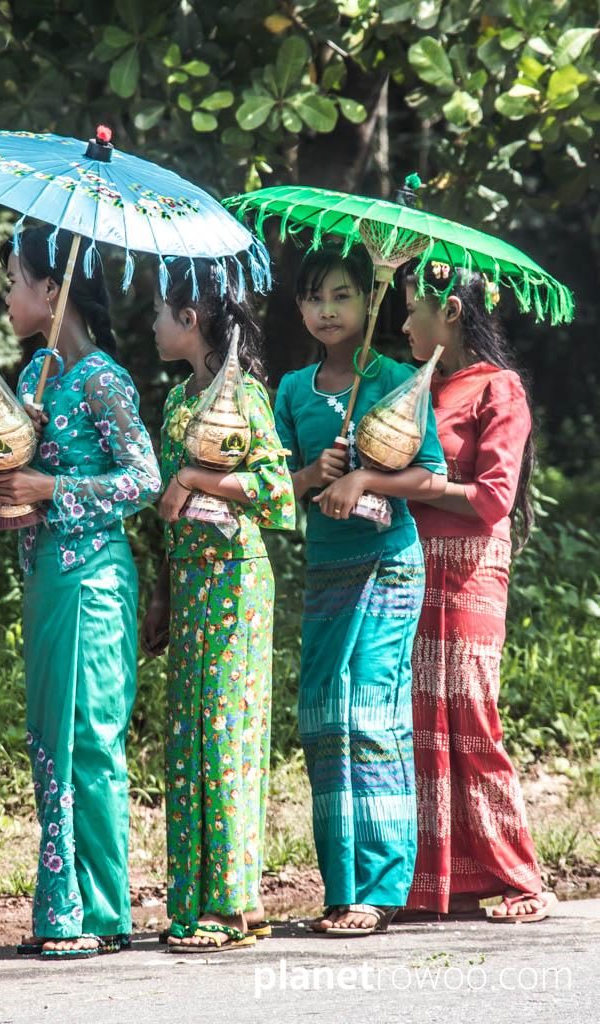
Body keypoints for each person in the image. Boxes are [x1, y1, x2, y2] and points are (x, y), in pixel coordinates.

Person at [0, 226, 161, 958]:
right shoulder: (31, 380)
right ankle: (61, 911)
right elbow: (8, 488)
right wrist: (4, 499)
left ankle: (103, 910)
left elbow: (144, 479)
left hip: (93, 579)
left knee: (89, 737)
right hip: (45, 578)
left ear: (51, 292)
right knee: (48, 740)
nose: (4, 293)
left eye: (13, 279)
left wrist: (52, 487)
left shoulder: (102, 379)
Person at [273, 247, 447, 936]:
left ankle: (379, 887)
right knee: (324, 718)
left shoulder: (396, 379)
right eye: (313, 298)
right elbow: (273, 488)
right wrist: (317, 471)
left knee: (371, 715)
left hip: (387, 562)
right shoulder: (289, 390)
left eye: (341, 296)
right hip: (325, 567)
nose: (326, 310)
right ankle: (339, 888)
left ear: (364, 303)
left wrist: (365, 480)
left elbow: (430, 477)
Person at [143, 257, 295, 952]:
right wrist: (161, 597)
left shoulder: (249, 398)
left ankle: (234, 906)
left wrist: (197, 472)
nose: (150, 324)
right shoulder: (177, 402)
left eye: (158, 313)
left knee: (226, 734)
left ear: (189, 319)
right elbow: (166, 511)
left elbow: (275, 491)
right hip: (190, 581)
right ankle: (195, 901)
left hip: (237, 582)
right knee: (188, 739)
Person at [402, 261, 556, 922]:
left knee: (468, 711)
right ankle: (441, 881)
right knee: (420, 721)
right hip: (411, 566)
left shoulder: (499, 389)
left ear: (453, 313)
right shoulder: (411, 387)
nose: (403, 323)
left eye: (413, 309)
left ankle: (521, 879)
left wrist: (411, 486)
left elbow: (493, 498)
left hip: (470, 568)